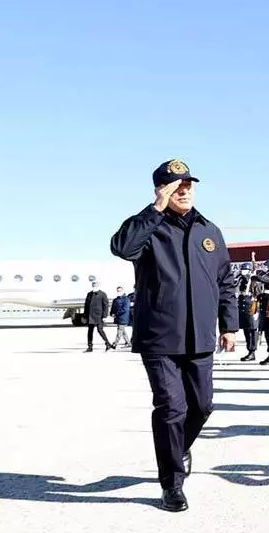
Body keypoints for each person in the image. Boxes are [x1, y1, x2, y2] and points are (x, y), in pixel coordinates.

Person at [109, 159, 237, 513]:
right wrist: (155, 209)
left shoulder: (209, 231)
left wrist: (229, 325)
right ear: (160, 190)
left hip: (200, 337)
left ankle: (177, 446)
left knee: (202, 406)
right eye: (174, 186)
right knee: (171, 408)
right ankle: (172, 484)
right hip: (159, 336)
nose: (184, 191)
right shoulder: (149, 227)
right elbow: (122, 247)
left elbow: (225, 280)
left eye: (188, 185)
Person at [83, 282, 112, 351]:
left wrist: (105, 316)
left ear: (98, 286)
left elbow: (106, 306)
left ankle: (108, 344)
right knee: (90, 331)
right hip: (90, 316)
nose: (94, 287)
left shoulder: (102, 294)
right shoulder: (89, 294)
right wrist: (85, 315)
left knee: (100, 330)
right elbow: (86, 305)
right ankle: (90, 347)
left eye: (95, 286)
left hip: (99, 316)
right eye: (93, 286)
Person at [237, 274, 259, 361]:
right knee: (246, 330)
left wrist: (256, 311)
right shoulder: (241, 279)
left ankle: (252, 351)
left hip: (251, 308)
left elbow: (257, 295)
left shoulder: (254, 281)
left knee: (252, 330)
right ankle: (249, 350)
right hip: (244, 309)